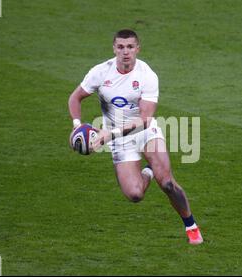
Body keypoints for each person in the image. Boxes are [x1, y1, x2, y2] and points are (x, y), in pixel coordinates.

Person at [68, 29, 203, 245]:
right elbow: (75, 98)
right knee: (135, 195)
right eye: (120, 47)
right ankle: (147, 172)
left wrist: (107, 135)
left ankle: (192, 227)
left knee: (167, 183)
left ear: (137, 49)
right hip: (119, 140)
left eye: (130, 47)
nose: (125, 52)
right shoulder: (100, 72)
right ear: (114, 49)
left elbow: (146, 119)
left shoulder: (147, 75)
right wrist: (77, 126)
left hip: (144, 132)